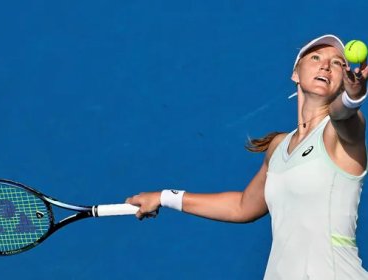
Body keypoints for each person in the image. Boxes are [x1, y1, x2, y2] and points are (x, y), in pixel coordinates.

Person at [125, 34, 368, 279]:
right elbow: (242, 206)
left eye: (337, 62)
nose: (325, 65)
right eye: (315, 57)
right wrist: (165, 197)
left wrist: (353, 97)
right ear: (296, 74)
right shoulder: (278, 146)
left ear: (342, 80)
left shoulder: (339, 132)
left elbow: (344, 115)